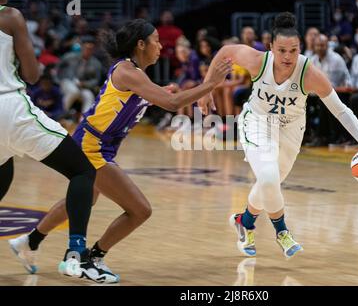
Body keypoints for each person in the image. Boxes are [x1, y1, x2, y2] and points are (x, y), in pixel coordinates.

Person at [8, 19, 231, 280]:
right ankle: (91, 257)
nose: (161, 46)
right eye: (156, 40)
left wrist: (158, 91)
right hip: (93, 146)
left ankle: (30, 241)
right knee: (140, 210)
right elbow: (172, 103)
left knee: (84, 199)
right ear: (140, 44)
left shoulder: (135, 73)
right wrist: (210, 83)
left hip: (96, 142)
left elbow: (147, 97)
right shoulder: (127, 71)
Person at [199, 12, 358, 258]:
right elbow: (225, 52)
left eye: (293, 50)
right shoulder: (258, 60)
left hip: (292, 129)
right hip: (257, 122)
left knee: (269, 184)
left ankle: (245, 221)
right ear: (271, 47)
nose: (287, 57)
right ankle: (282, 231)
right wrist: (206, 88)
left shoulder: (308, 72)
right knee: (269, 178)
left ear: (299, 48)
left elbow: (340, 110)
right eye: (282, 50)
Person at [0, 0, 108, 283]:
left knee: (4, 167)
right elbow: (34, 75)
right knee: (83, 171)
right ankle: (76, 254)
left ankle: (30, 243)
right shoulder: (10, 15)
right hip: (9, 106)